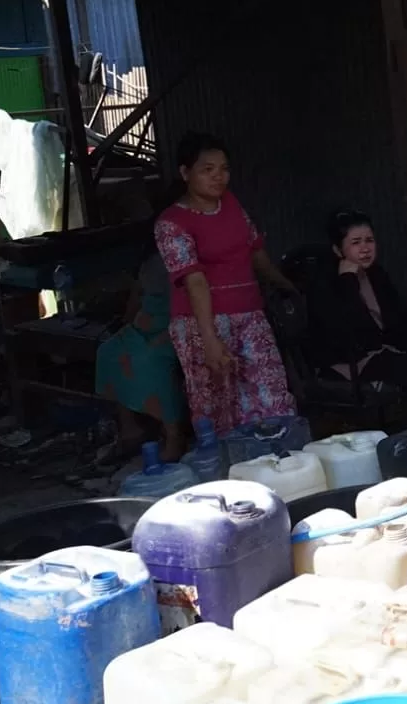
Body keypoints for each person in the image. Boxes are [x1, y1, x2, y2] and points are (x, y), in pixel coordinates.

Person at [155, 133, 298, 435]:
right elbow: (194, 281)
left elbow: (255, 252)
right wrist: (209, 341)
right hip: (201, 326)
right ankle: (228, 474)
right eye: (208, 170)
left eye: (224, 169)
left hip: (250, 316)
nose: (219, 177)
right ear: (185, 173)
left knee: (271, 398)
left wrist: (287, 286)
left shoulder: (231, 204)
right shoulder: (171, 223)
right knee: (218, 408)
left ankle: (279, 464)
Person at [307, 208, 407, 412]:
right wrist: (348, 282)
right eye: (356, 242)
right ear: (337, 249)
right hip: (352, 359)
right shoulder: (326, 283)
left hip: (384, 349)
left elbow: (397, 318)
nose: (365, 248)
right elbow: (350, 333)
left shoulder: (376, 274)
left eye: (369, 240)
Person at [95, 232, 187, 460]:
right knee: (109, 351)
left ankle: (174, 435)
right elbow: (137, 297)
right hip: (146, 323)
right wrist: (126, 324)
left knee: (152, 361)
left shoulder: (185, 257)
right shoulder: (149, 263)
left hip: (177, 325)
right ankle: (130, 428)